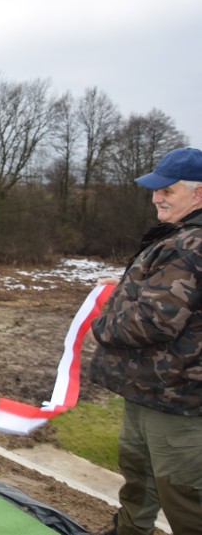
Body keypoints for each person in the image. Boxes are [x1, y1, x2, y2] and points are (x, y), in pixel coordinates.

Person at [90, 147, 202, 535]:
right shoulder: (181, 238)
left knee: (184, 496)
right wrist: (122, 290)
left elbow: (155, 320)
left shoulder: (191, 245)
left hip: (178, 398)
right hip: (151, 388)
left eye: (167, 191)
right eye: (156, 190)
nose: (156, 198)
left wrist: (102, 322)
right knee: (140, 479)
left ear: (198, 194)